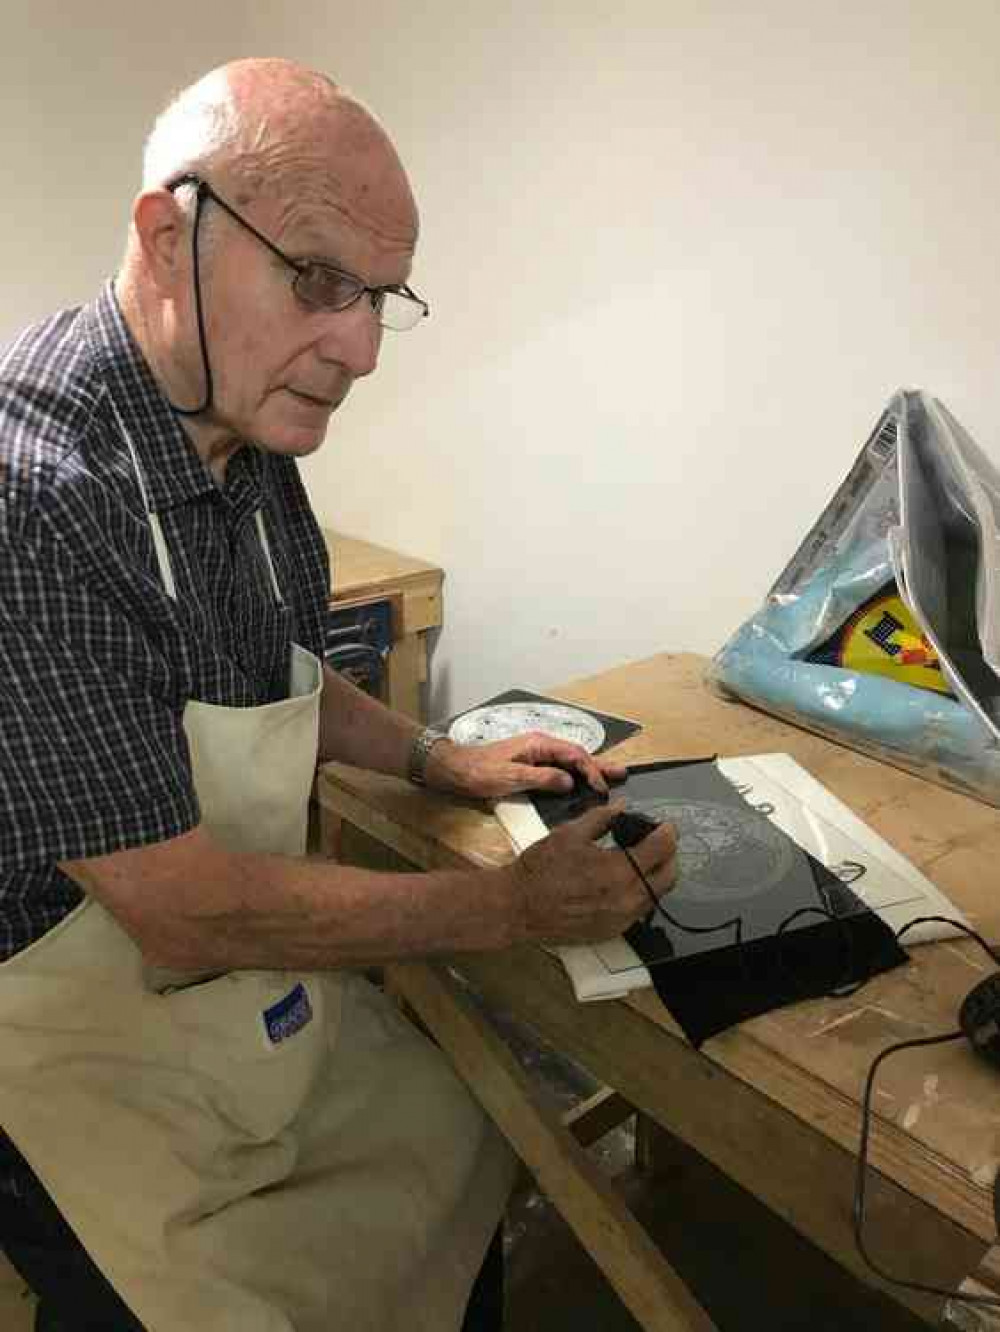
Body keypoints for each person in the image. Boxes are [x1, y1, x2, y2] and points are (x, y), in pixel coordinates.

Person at [0, 57, 678, 1332]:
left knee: (465, 1142)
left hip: (223, 984)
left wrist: (438, 760)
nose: (360, 348)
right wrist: (510, 907)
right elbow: (183, 915)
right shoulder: (34, 499)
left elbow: (279, 678)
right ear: (165, 237)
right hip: (66, 1025)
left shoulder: (243, 424)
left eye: (378, 297)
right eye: (318, 282)